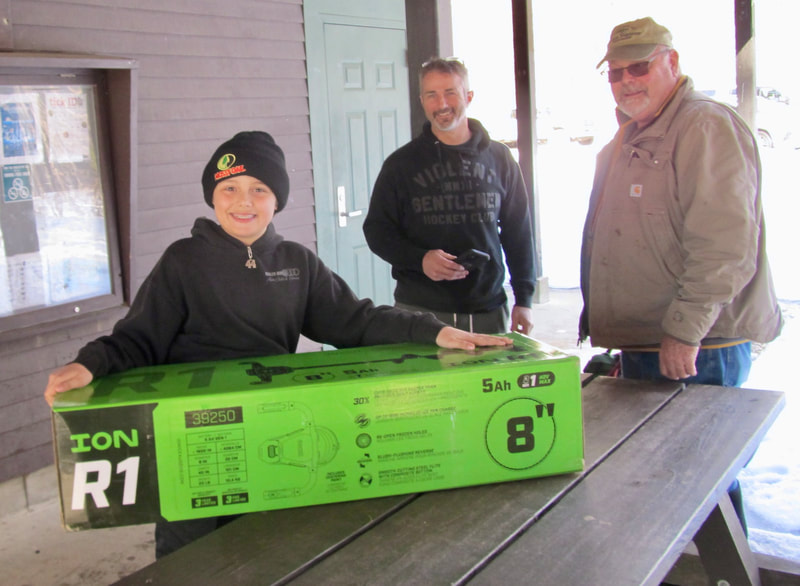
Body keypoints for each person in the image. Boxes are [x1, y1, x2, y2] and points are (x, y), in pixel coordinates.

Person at [43, 130, 511, 557]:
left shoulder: (296, 263)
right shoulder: (182, 262)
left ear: (277, 200)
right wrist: (90, 364)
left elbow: (356, 320)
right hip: (193, 435)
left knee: (263, 546)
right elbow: (137, 338)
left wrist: (432, 331)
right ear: (212, 196)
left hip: (267, 425)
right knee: (190, 554)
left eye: (259, 190)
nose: (243, 202)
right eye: (229, 188)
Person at [580, 16, 784, 531]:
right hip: (648, 342)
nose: (626, 81)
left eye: (639, 67)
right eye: (616, 72)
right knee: (655, 484)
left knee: (700, 483)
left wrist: (685, 329)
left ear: (672, 62)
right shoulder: (635, 132)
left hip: (697, 346)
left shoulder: (703, 125)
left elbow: (725, 244)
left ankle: (720, 568)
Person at [363, 57, 536, 336]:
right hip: (419, 311)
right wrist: (420, 259)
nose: (441, 104)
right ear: (422, 101)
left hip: (487, 310)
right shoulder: (401, 164)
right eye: (432, 95)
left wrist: (524, 299)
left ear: (468, 96)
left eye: (450, 92)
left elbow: (519, 232)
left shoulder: (500, 159)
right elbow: (377, 231)